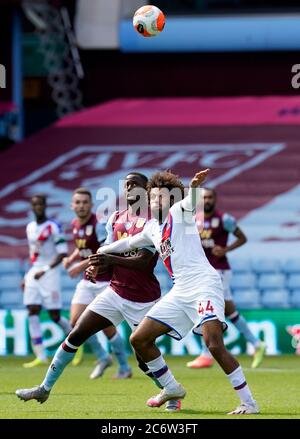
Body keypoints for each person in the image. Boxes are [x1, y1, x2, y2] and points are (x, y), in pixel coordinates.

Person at [92, 169, 260, 415]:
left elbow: (191, 201)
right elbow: (128, 243)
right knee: (138, 339)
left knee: (213, 344)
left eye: (162, 197)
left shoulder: (179, 213)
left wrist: (193, 187)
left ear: (172, 199)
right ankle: (171, 387)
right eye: (153, 197)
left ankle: (249, 403)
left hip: (203, 284)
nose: (156, 200)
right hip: (180, 291)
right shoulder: (151, 228)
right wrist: (102, 251)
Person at [15, 172, 180, 412]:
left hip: (144, 299)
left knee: (144, 360)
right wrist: (94, 266)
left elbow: (144, 262)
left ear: (146, 191)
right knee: (76, 333)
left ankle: (170, 391)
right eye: (127, 184)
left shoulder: (153, 222)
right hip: (114, 291)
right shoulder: (115, 219)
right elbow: (105, 251)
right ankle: (44, 388)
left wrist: (107, 259)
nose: (129, 187)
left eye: (135, 184)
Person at [187, 188, 266, 370]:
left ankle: (207, 354)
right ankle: (255, 344)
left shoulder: (225, 219)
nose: (206, 200)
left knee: (210, 308)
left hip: (219, 270)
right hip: (203, 271)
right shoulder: (194, 220)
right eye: (204, 197)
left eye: (209, 197)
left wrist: (225, 250)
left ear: (215, 199)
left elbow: (242, 238)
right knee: (225, 310)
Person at [63, 187, 131, 379]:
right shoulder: (75, 223)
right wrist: (71, 257)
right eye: (78, 202)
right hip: (87, 281)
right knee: (75, 322)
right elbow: (82, 247)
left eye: (85, 202)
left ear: (91, 205)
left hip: (104, 281)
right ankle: (103, 357)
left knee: (107, 328)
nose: (81, 206)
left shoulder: (99, 224)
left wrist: (77, 266)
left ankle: (125, 367)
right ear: (72, 205)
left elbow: (103, 250)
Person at [22, 195, 72, 368]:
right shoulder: (29, 227)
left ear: (45, 206)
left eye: (40, 204)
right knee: (32, 310)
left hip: (50, 273)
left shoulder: (53, 226)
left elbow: (62, 253)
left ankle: (75, 341)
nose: (38, 207)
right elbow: (33, 254)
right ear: (32, 207)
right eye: (34, 204)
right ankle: (40, 355)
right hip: (35, 271)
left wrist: (45, 270)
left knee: (54, 315)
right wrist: (28, 275)